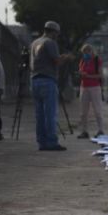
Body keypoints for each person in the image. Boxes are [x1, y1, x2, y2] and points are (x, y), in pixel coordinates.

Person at [31, 21, 68, 151]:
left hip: (35, 80)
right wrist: (65, 57)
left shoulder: (35, 43)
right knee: (50, 114)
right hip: (48, 80)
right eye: (57, 33)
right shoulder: (50, 42)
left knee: (39, 114)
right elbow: (56, 61)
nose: (57, 36)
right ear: (53, 32)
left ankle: (42, 142)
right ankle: (51, 142)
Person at [76, 43, 104, 138]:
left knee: (97, 110)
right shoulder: (83, 61)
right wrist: (81, 73)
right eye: (84, 52)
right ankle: (84, 131)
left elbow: (100, 75)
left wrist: (88, 76)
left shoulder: (97, 60)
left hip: (94, 87)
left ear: (91, 51)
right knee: (83, 112)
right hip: (84, 87)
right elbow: (80, 70)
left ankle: (100, 130)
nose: (86, 54)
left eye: (88, 51)